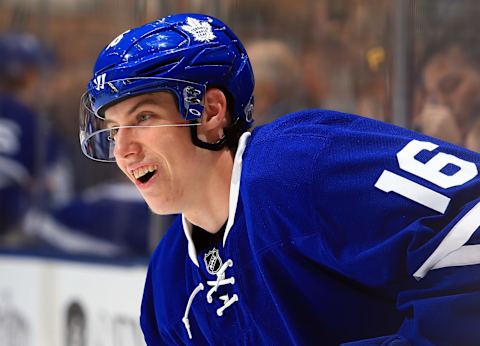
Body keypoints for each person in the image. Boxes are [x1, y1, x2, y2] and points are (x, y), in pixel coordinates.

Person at [79, 13, 480, 345]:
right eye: (114, 130)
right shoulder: (169, 287)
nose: (122, 150)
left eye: (143, 118)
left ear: (210, 112)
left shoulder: (300, 167)